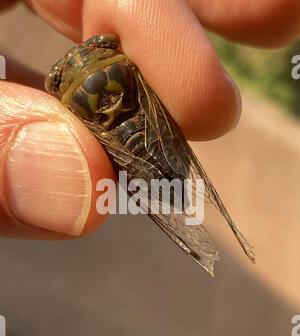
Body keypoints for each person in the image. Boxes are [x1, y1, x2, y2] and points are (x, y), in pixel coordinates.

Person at [0, 0, 299, 239]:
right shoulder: (125, 64)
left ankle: (174, 199)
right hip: (158, 141)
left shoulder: (76, 98)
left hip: (132, 153)